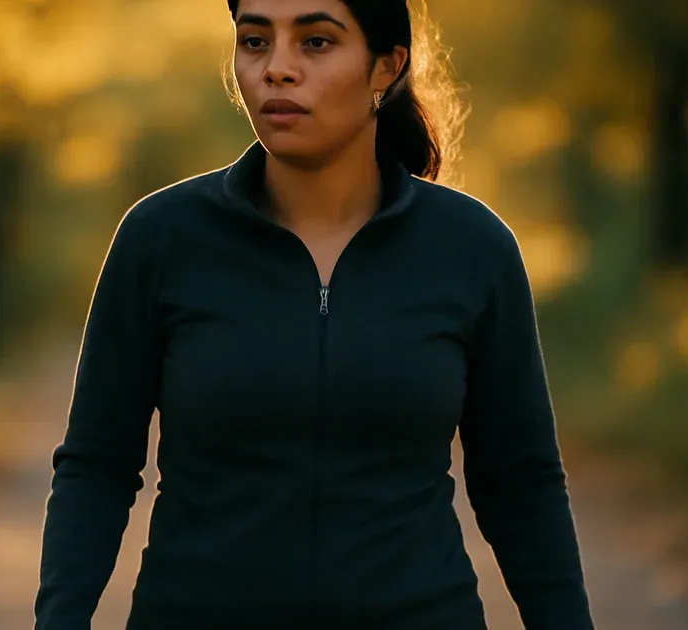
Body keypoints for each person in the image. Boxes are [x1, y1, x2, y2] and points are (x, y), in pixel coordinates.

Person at [35, 0, 596, 628]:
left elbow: (521, 484)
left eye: (316, 42)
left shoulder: (472, 249)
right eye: (254, 41)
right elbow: (97, 465)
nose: (277, 68)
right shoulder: (161, 239)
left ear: (386, 67)